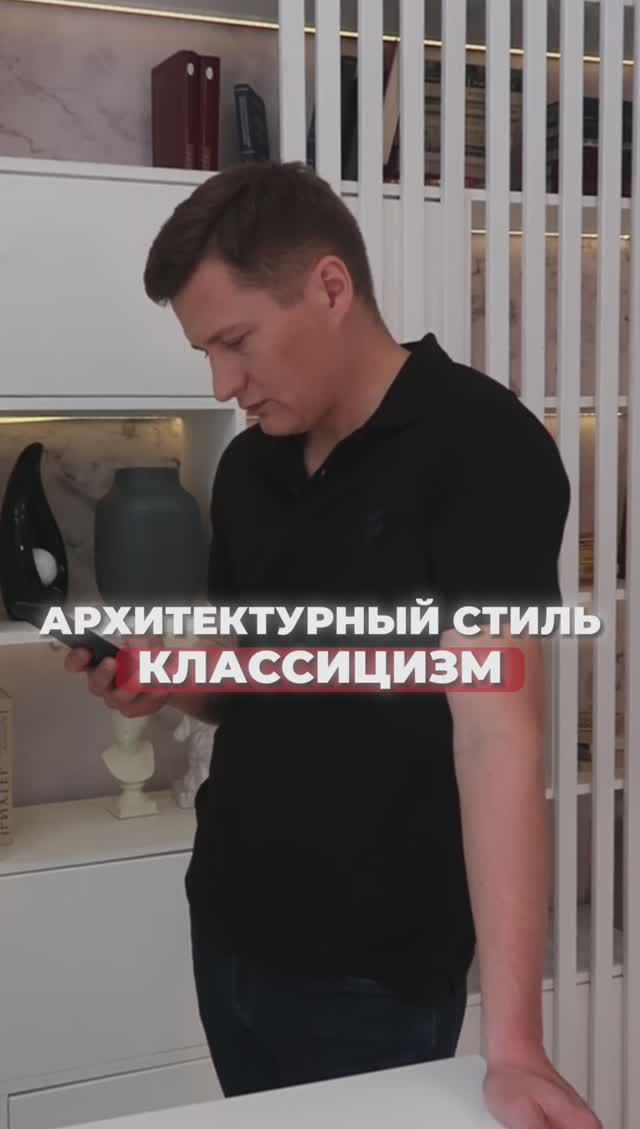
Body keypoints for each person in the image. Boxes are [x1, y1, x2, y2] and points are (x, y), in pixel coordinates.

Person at [66, 161, 601, 1129]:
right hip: (228, 926)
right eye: (205, 352)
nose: (224, 384)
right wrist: (164, 678)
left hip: (372, 971)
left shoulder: (483, 447)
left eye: (235, 342)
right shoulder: (247, 469)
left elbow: (496, 737)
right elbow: (248, 684)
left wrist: (516, 1043)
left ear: (329, 285)